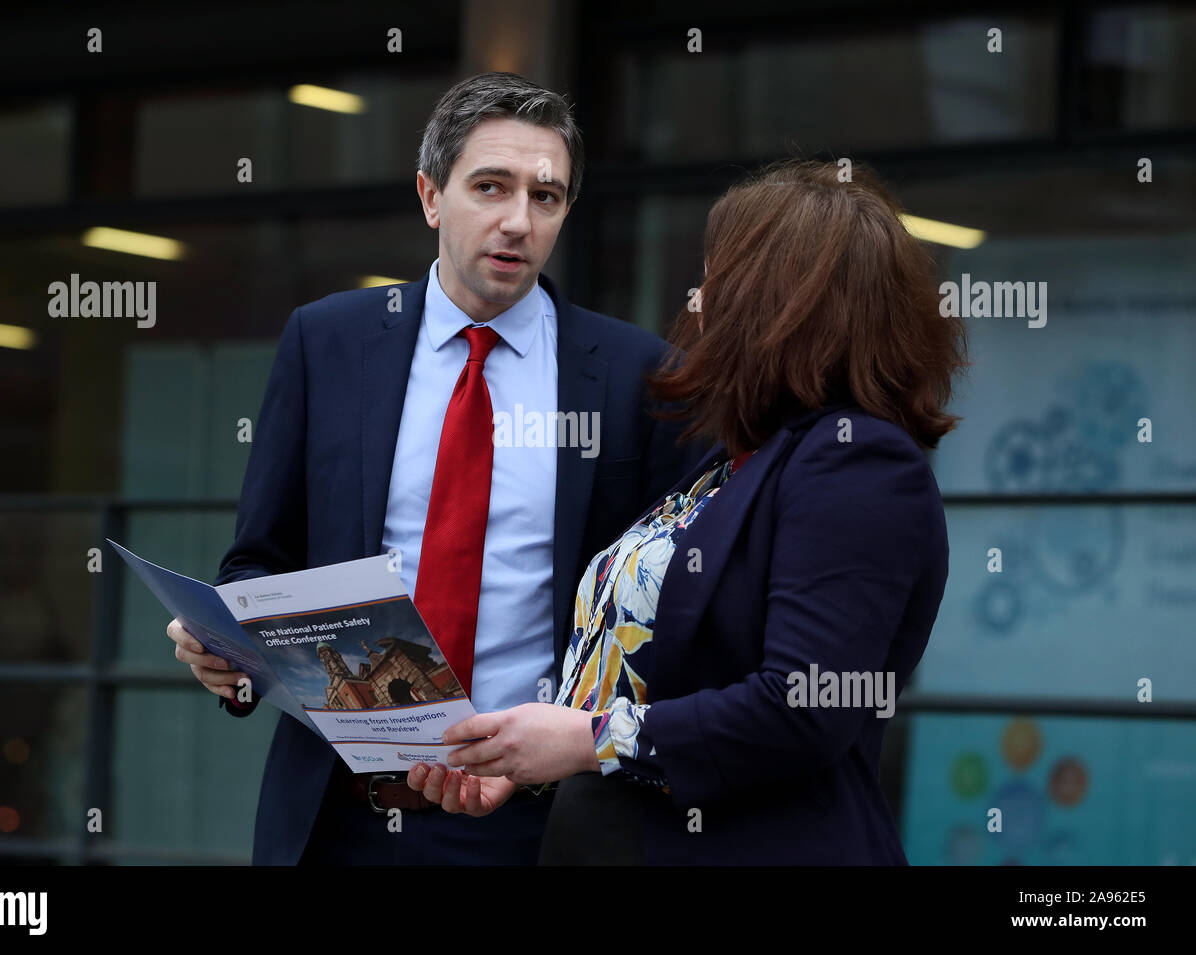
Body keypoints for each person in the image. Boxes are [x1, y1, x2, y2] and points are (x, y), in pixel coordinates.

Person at [163, 72, 704, 865]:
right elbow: (261, 559)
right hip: (339, 818)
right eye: (490, 186)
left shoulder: (631, 374)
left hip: (535, 827)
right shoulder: (329, 343)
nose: (518, 221)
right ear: (430, 195)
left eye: (546, 197)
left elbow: (665, 607)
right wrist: (229, 658)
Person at [406, 158, 969, 864]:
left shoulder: (855, 461)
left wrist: (587, 739)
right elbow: (643, 686)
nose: (699, 301)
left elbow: (803, 706)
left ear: (780, 304)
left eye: (717, 279)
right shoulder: (732, 464)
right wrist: (522, 760)